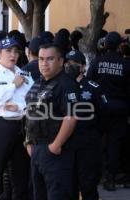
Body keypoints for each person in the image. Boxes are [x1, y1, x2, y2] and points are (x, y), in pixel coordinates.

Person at [0, 38, 33, 200]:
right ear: (0, 53)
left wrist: (18, 107)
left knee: (21, 176)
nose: (13, 55)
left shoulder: (25, 75)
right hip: (0, 127)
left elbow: (32, 100)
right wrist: (13, 86)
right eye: (9, 51)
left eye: (16, 51)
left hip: (22, 126)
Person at [25, 43, 79, 200]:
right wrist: (28, 143)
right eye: (41, 59)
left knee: (57, 195)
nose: (44, 63)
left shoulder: (66, 85)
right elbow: (30, 113)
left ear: (61, 61)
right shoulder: (39, 82)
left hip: (55, 152)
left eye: (50, 59)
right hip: (37, 148)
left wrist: (55, 146)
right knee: (38, 195)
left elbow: (71, 116)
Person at [87, 31, 130, 191]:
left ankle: (96, 175)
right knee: (114, 143)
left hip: (99, 108)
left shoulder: (97, 62)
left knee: (97, 142)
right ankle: (111, 179)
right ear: (120, 45)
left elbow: (89, 82)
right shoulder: (126, 64)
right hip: (119, 108)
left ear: (105, 45)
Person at [65, 50, 107, 200]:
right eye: (67, 63)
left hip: (88, 143)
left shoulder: (93, 87)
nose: (70, 67)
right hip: (66, 144)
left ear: (83, 66)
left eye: (74, 64)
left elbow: (103, 115)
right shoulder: (61, 85)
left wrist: (94, 134)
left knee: (88, 185)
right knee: (68, 186)